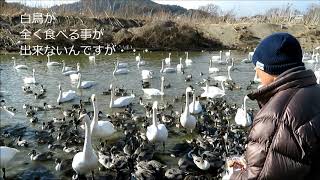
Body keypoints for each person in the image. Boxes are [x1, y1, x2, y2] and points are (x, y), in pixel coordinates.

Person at [230, 32, 320, 179]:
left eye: (257, 66)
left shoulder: (275, 117)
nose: (255, 71)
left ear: (270, 69)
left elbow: (260, 177)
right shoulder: (315, 91)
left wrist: (233, 175)